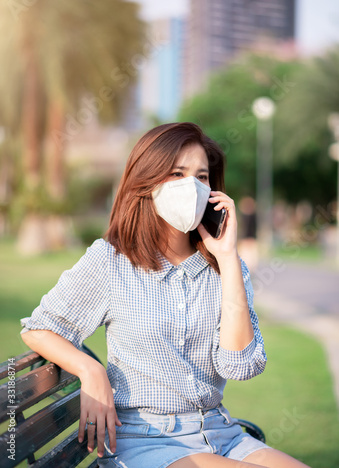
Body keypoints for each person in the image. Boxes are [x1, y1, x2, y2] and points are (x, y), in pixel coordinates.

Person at [20, 123, 310, 468]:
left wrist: (228, 257)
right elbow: (38, 328)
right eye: (177, 173)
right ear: (148, 182)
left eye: (202, 176)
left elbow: (241, 365)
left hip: (221, 432)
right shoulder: (111, 261)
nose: (192, 186)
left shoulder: (228, 268)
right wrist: (90, 370)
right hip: (146, 442)